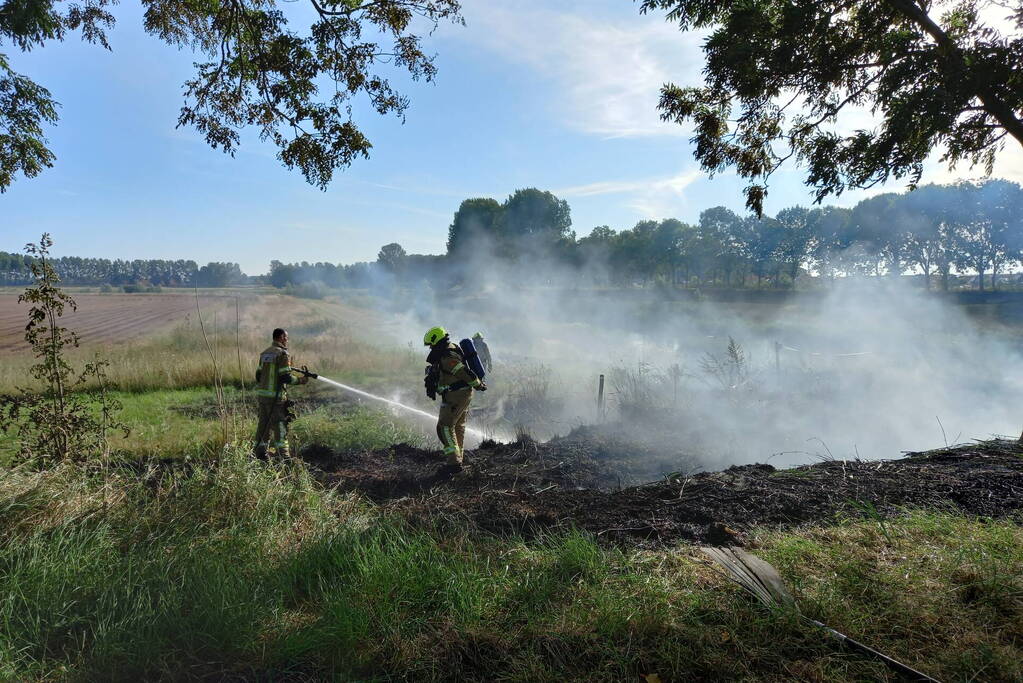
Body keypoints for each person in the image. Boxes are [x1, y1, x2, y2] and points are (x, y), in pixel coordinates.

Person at [424, 325, 484, 470]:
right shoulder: (450, 350)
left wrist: (477, 383)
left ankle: (453, 463)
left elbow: (463, 372)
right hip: (462, 394)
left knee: (444, 427)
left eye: (431, 345)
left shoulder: (447, 357)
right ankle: (458, 459)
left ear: (437, 340)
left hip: (456, 396)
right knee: (458, 427)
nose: (431, 348)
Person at [253, 328, 308, 458]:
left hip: (263, 397)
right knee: (280, 425)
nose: (287, 340)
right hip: (276, 398)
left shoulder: (265, 353)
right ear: (281, 337)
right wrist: (301, 380)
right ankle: (284, 456)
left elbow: (258, 375)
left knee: (263, 425)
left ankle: (260, 453)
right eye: (286, 337)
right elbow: (285, 377)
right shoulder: (283, 354)